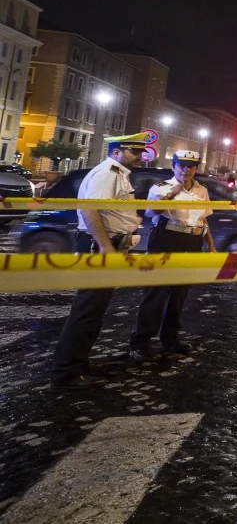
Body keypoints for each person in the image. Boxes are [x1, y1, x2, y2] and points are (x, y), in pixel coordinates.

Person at [51, 132, 154, 389]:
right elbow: (90, 209)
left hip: (106, 246)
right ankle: (67, 373)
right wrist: (106, 246)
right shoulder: (108, 173)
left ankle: (79, 363)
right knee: (87, 310)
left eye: (141, 152)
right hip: (98, 247)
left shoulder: (118, 174)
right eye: (134, 152)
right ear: (116, 152)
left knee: (94, 310)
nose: (140, 157)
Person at [134, 149, 214, 360]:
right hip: (167, 239)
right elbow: (150, 212)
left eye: (191, 166)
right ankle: (140, 342)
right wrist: (172, 194)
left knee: (180, 294)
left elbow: (203, 219)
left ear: (196, 169)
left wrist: (211, 246)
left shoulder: (202, 190)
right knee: (156, 293)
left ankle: (170, 339)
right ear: (174, 166)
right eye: (181, 166)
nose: (186, 170)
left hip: (192, 241)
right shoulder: (161, 187)